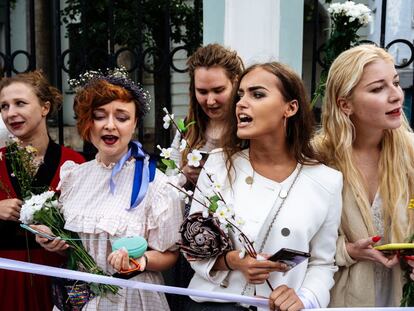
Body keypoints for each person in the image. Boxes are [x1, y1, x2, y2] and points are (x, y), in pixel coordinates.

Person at [185, 62, 343, 311]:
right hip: (213, 305)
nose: (241, 103)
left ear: (290, 108)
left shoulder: (326, 181)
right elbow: (194, 245)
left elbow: (323, 263)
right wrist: (233, 261)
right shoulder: (218, 165)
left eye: (257, 94)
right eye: (240, 95)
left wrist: (304, 298)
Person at [34, 69, 183, 310]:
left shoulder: (156, 184)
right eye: (100, 116)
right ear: (87, 122)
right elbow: (76, 247)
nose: (110, 126)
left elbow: (170, 255)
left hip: (132, 298)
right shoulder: (75, 177)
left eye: (122, 117)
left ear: (134, 123)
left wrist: (139, 261)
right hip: (79, 298)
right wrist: (53, 241)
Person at [315, 44, 414, 307]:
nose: (396, 96)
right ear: (345, 104)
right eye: (378, 88)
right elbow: (300, 240)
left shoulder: (411, 153)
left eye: (395, 83)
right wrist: (346, 251)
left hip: (401, 296)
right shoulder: (318, 159)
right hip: (339, 298)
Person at [0, 70, 85, 311]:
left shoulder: (74, 163)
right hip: (5, 280)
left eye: (20, 104)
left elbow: (88, 231)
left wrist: (64, 240)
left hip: (55, 282)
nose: (11, 113)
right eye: (4, 106)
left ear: (45, 108)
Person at [170, 43, 244, 189]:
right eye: (202, 92)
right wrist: (184, 175)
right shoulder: (187, 127)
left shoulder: (248, 127)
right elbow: (168, 179)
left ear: (235, 83)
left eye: (218, 90)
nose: (210, 101)